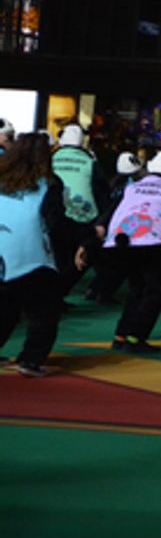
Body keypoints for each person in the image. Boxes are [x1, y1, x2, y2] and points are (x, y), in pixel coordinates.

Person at [0, 134, 87, 376]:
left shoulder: (2, 177)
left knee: (5, 307)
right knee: (45, 310)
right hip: (30, 256)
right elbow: (57, 224)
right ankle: (30, 360)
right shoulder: (48, 184)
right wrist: (87, 235)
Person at [102, 149, 161, 353]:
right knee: (155, 292)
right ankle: (136, 338)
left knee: (135, 290)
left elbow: (112, 212)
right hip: (158, 245)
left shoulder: (134, 187)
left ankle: (121, 334)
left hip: (124, 243)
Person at [50, 123, 109, 295]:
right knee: (84, 256)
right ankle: (61, 291)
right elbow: (101, 191)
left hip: (55, 217)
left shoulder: (51, 159)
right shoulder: (90, 162)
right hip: (84, 217)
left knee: (58, 257)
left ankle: (54, 294)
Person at [86, 151, 143, 304]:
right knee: (120, 265)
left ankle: (95, 290)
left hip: (107, 226)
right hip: (124, 228)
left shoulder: (112, 183)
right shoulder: (133, 185)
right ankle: (103, 293)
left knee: (111, 264)